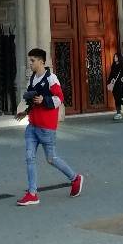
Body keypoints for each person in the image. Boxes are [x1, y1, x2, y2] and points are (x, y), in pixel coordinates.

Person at [15, 49, 83, 206]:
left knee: (51, 159)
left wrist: (44, 100)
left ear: (41, 61)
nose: (30, 63)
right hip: (32, 125)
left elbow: (60, 98)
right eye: (30, 60)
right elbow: (31, 101)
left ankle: (75, 178)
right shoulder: (31, 79)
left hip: (46, 127)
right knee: (29, 157)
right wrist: (24, 112)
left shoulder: (51, 79)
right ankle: (32, 194)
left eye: (32, 61)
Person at [107, 51, 123, 120]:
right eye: (114, 57)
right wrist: (109, 82)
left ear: (119, 58)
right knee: (117, 99)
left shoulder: (122, 65)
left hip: (120, 85)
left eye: (116, 57)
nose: (114, 58)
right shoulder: (113, 66)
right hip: (114, 85)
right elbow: (111, 75)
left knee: (119, 99)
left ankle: (121, 112)